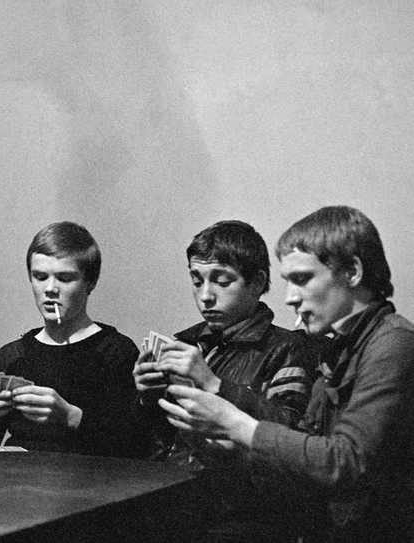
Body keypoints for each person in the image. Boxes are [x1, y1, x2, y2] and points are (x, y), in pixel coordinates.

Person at [160, 206, 414, 543]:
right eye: (288, 283)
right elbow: (307, 457)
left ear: (352, 272)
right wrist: (229, 451)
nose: (291, 298)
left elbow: (345, 461)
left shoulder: (393, 342)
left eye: (302, 279)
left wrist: (236, 423)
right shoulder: (341, 349)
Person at [134, 219, 313, 543]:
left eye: (222, 281)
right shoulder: (186, 343)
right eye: (196, 280)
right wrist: (148, 398)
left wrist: (215, 384)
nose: (205, 295)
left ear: (257, 282)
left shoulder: (285, 348)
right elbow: (159, 440)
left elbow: (289, 435)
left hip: (244, 519)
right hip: (174, 508)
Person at [0, 221, 149, 457]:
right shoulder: (11, 357)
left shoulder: (116, 352)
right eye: (40, 276)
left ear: (90, 282)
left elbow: (137, 446)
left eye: (65, 278)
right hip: (16, 475)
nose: (50, 289)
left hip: (91, 478)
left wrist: (70, 416)